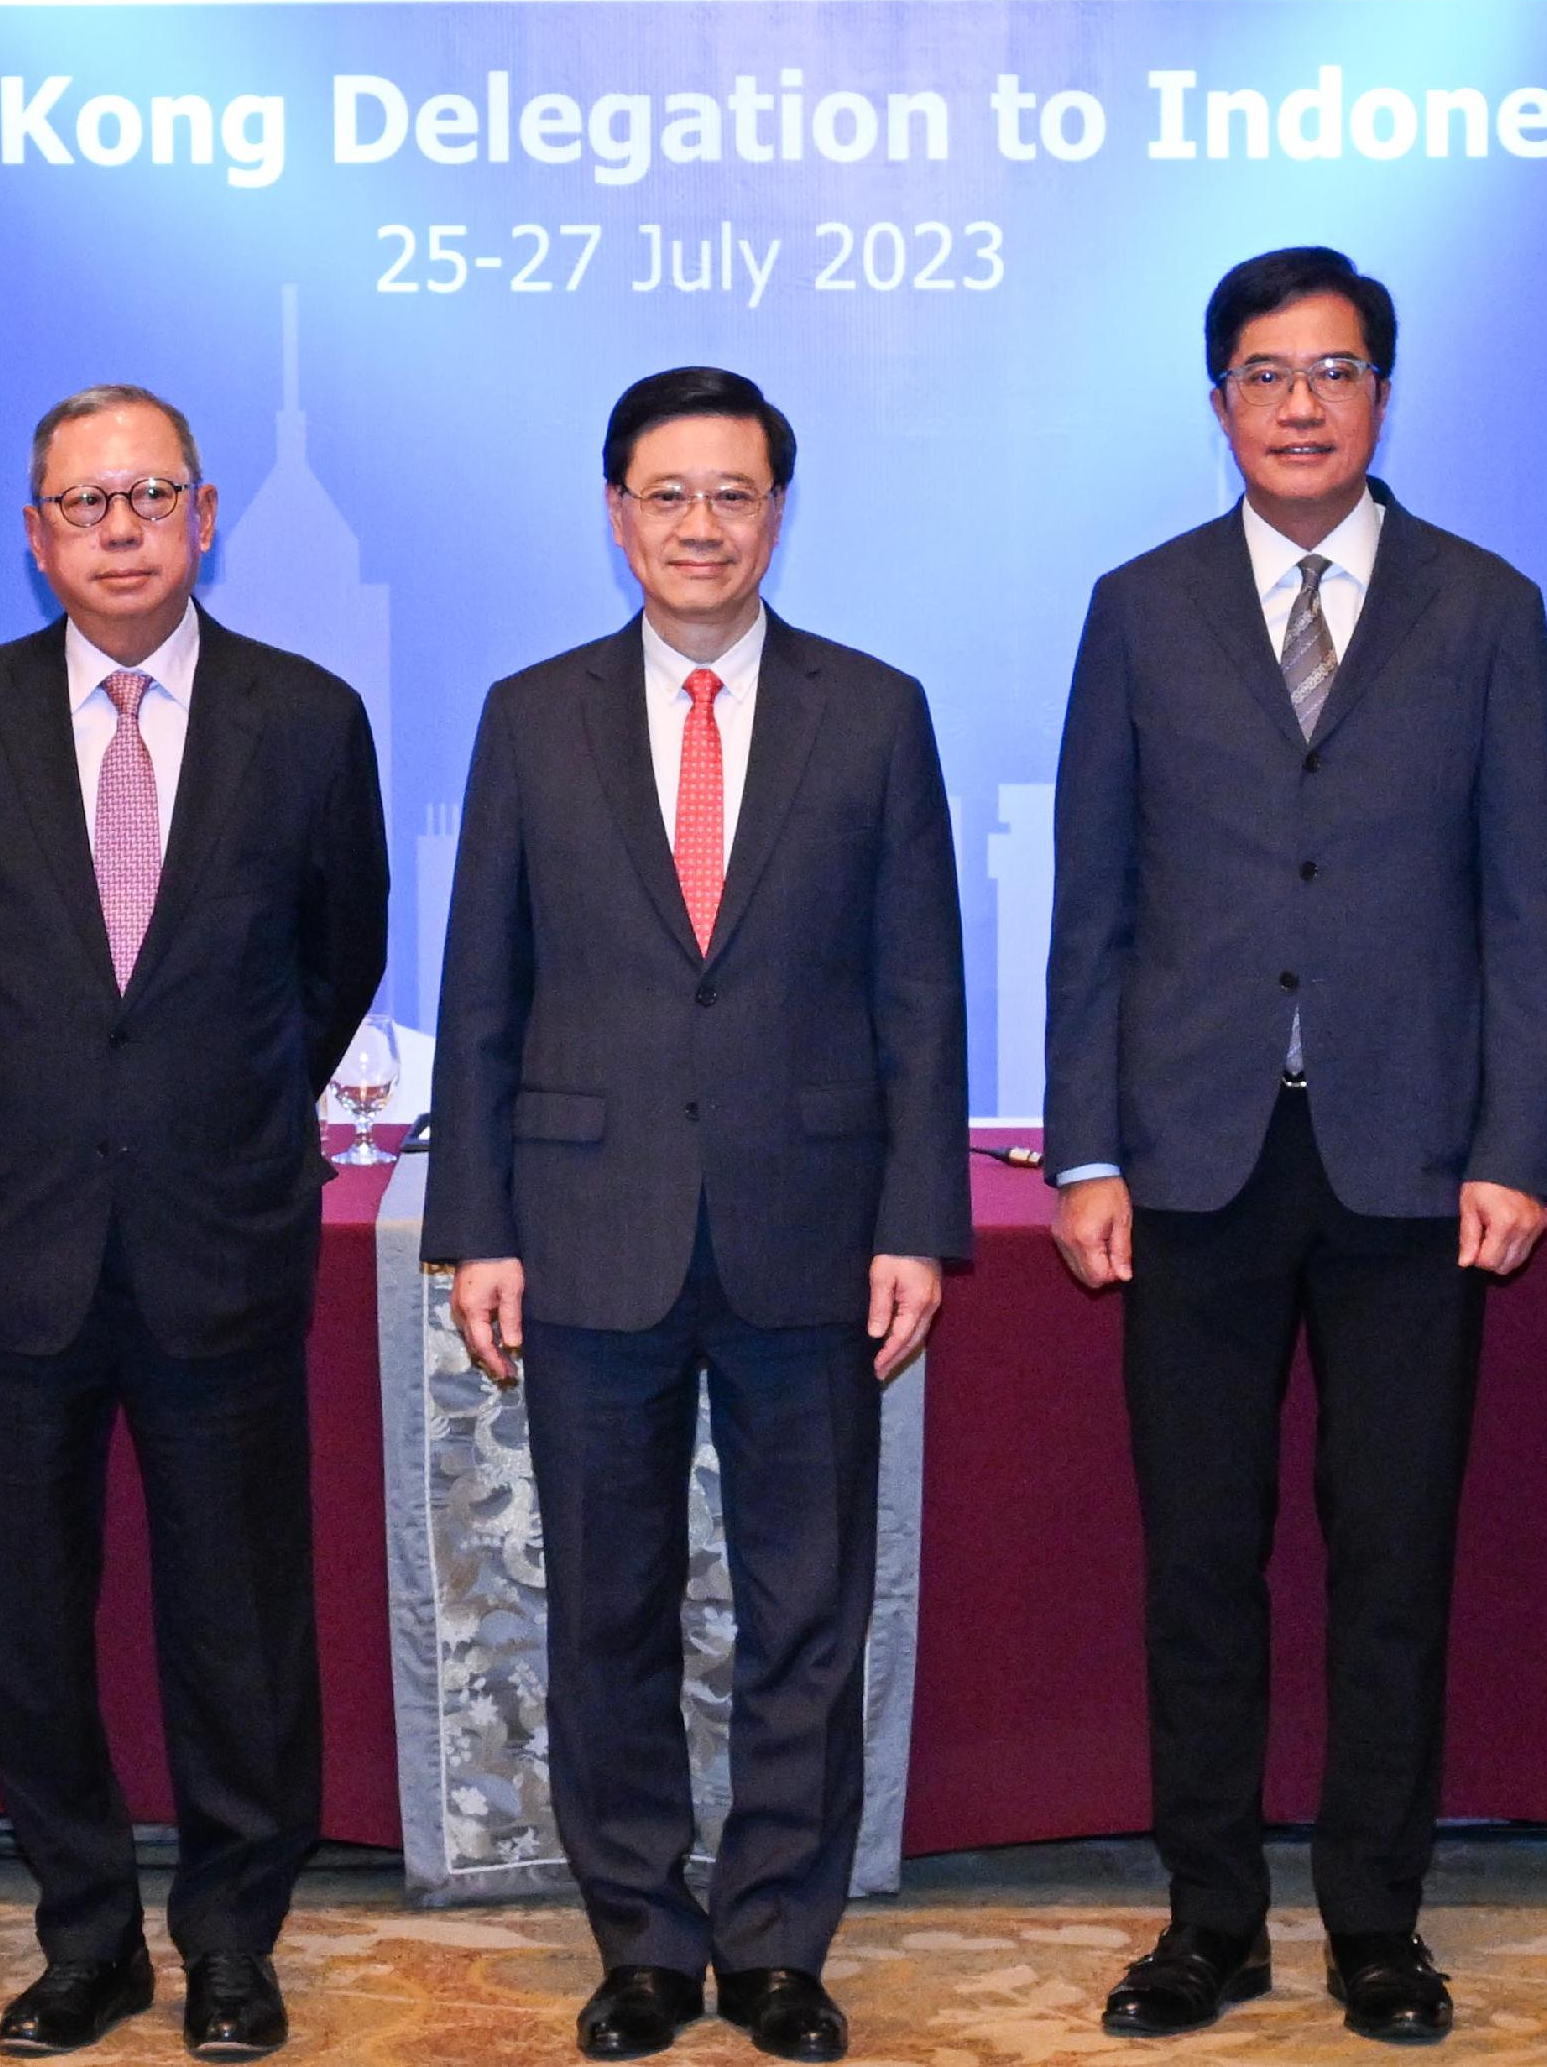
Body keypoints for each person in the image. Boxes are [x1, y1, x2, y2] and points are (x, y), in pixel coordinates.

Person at [1046, 247, 1547, 2045]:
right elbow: (1092, 901)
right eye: (1265, 375)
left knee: (1392, 1554)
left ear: (1383, 395)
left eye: (1335, 372)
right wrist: (1083, 1148)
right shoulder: (1141, 604)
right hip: (1188, 1158)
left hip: (1416, 1162)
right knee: (1200, 1556)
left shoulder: (1486, 606)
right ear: (1218, 404)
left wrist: (1517, 1140)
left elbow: (1524, 905)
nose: (1301, 405)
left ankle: (1376, 1925)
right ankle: (1211, 1917)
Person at [426, 366, 967, 2065]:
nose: (701, 526)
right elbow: (483, 992)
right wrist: (475, 1226)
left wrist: (917, 1219)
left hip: (814, 1225)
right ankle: (646, 1943)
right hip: (589, 1226)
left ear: (778, 512)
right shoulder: (533, 714)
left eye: (734, 493)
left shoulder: (873, 711)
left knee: (809, 1604)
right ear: (615, 512)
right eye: (668, 494)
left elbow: (920, 996)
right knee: (607, 1604)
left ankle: (782, 1944)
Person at [0, 383, 384, 2062]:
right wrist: (46, 1122)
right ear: (33, 535)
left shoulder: (307, 719)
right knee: (24, 1620)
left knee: (240, 1618)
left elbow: (339, 958)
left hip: (219, 1231)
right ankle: (83, 1931)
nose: (117, 528)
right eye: (81, 504)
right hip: (12, 1241)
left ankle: (236, 1935)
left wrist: (202, 1116)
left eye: (148, 496)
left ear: (207, 514)